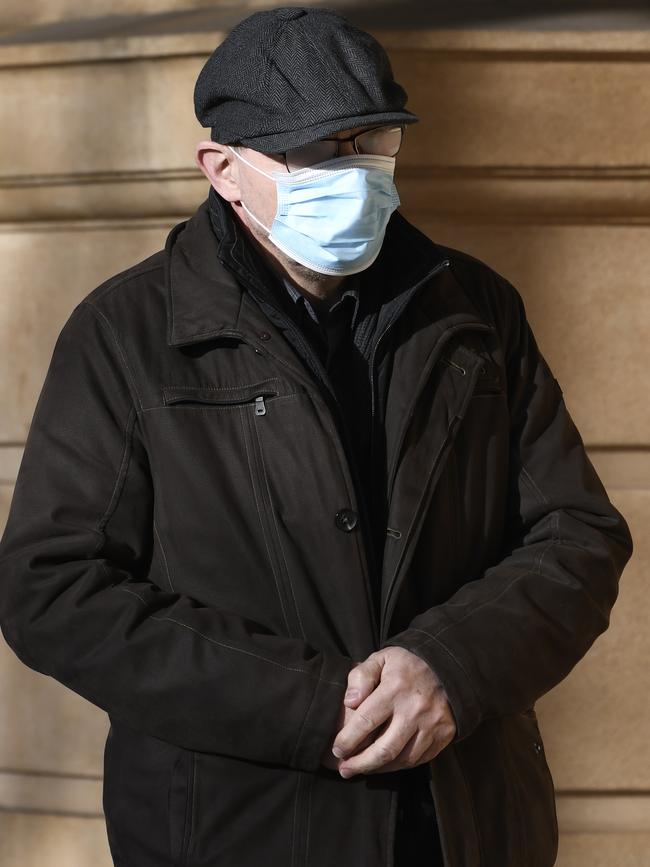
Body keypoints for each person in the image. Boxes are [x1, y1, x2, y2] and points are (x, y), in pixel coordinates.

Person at [0, 6, 633, 867]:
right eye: (319, 152)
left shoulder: (473, 312)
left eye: (373, 143)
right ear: (223, 169)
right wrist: (310, 704)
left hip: (466, 825)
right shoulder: (127, 335)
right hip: (238, 830)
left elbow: (578, 535)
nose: (358, 174)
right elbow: (53, 588)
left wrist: (449, 665)